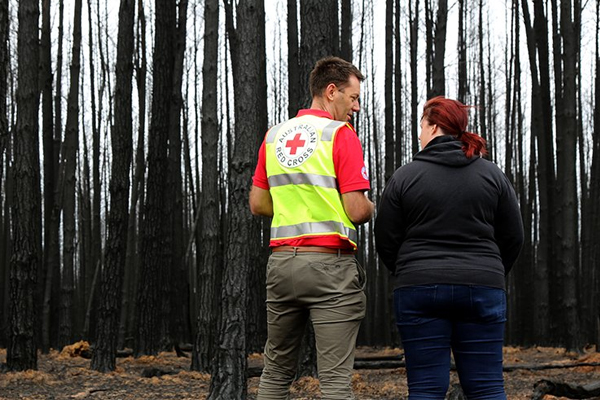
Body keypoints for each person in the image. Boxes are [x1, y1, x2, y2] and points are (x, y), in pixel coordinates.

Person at [374, 96, 524, 399]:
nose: (418, 134)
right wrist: (489, 271)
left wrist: (409, 271)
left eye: (421, 125)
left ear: (433, 127)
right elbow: (514, 236)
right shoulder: (493, 175)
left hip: (419, 288)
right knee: (487, 387)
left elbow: (386, 238)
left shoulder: (404, 177)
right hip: (483, 288)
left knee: (426, 388)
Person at [249, 56, 374, 399]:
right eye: (353, 98)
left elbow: (258, 203)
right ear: (332, 91)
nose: (357, 107)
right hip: (329, 267)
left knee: (274, 373)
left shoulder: (275, 136)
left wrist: (295, 204)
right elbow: (357, 210)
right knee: (334, 381)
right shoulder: (340, 135)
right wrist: (373, 205)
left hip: (281, 267)